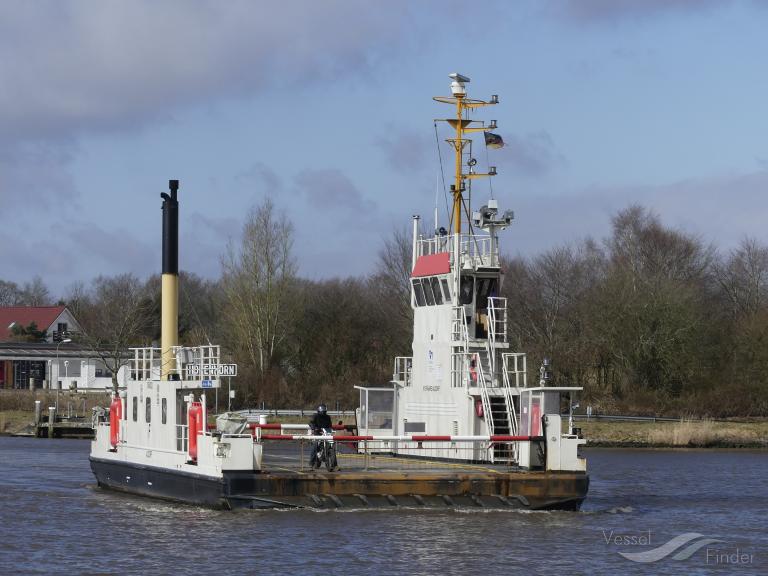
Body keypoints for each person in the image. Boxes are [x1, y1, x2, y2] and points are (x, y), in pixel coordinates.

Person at [308, 404, 333, 469]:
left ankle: (334, 464)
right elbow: (311, 423)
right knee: (315, 446)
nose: (323, 413)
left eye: (324, 411)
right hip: (317, 434)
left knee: (331, 446)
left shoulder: (328, 417)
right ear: (319, 411)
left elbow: (330, 425)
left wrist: (330, 430)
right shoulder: (315, 416)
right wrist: (314, 428)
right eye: (322, 411)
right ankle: (311, 463)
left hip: (326, 434)